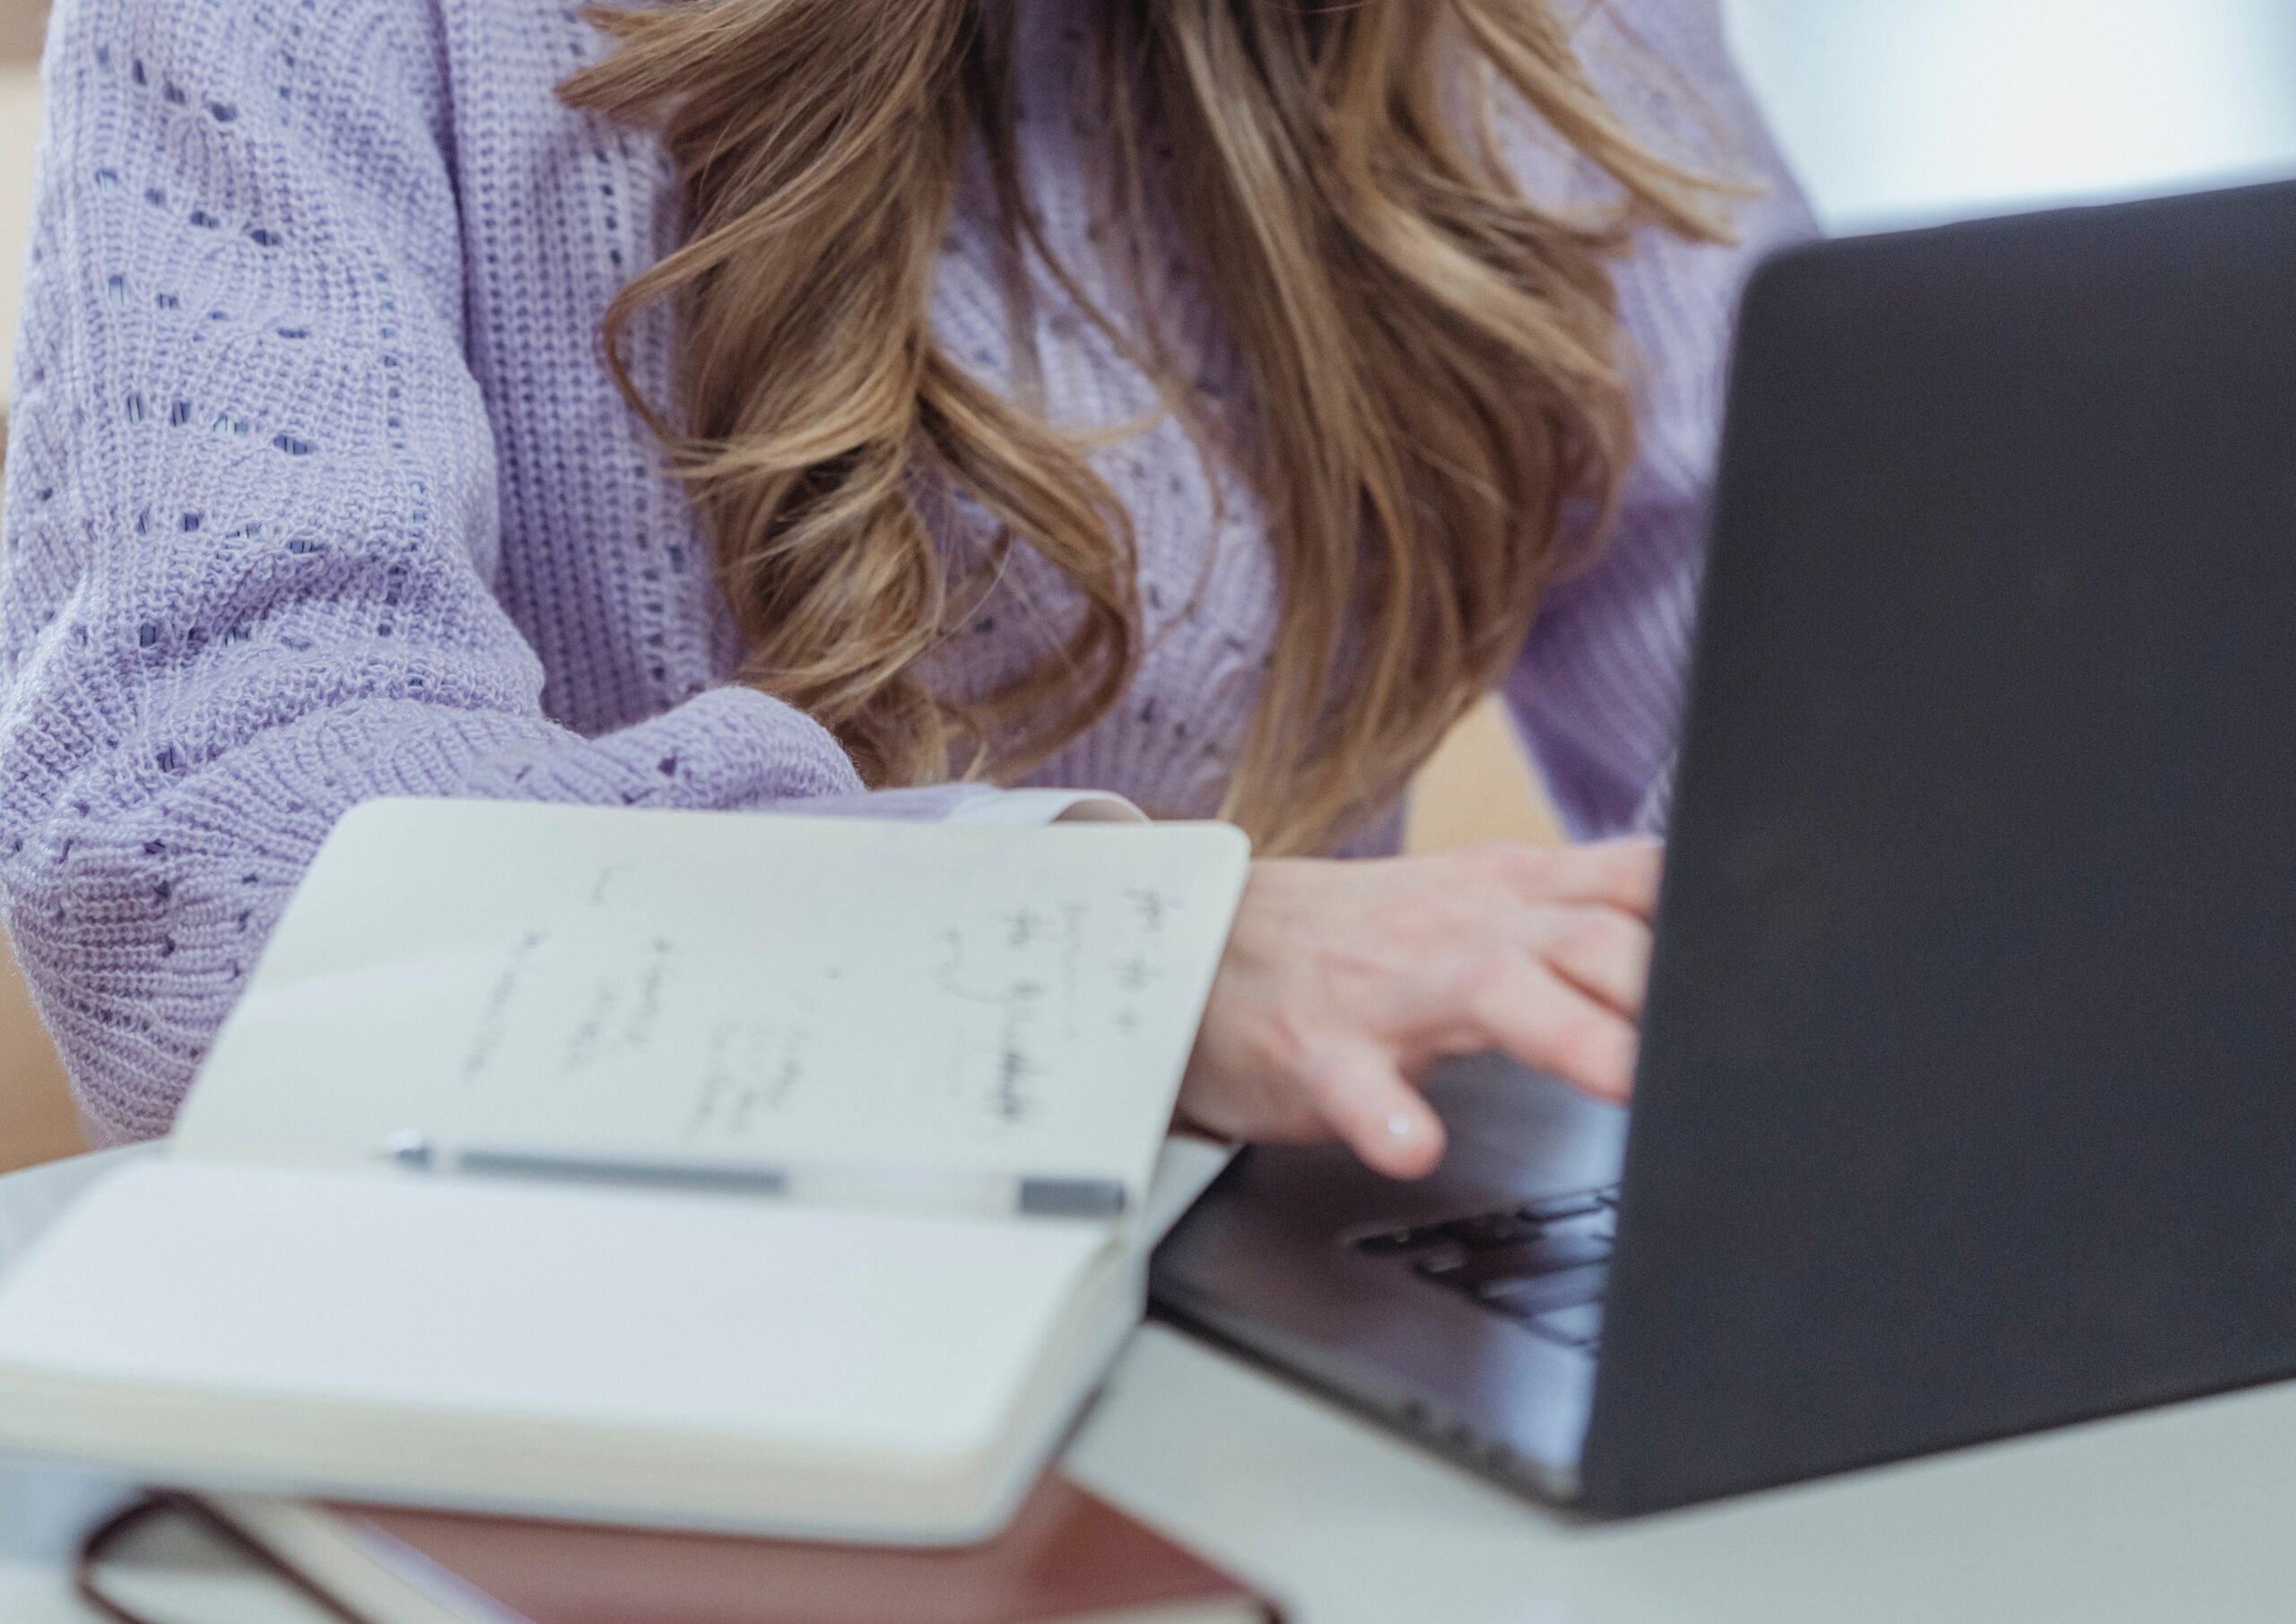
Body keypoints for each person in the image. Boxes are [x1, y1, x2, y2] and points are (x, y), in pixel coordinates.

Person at [0, 0, 1807, 1185]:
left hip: (1255, 1307)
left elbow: (1834, 664)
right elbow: (205, 879)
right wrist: (1126, 961)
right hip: (593, 1345)